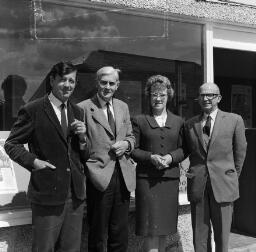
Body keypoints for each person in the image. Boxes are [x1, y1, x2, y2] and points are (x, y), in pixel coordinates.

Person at [4, 61, 89, 252]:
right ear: (52, 80)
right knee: (44, 248)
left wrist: (83, 138)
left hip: (74, 195)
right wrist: (35, 162)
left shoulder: (78, 111)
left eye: (72, 81)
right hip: (47, 193)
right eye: (63, 80)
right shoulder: (33, 110)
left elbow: (84, 154)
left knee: (71, 249)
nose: (68, 85)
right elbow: (11, 144)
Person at [78, 66, 136, 252]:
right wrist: (81, 140)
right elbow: (80, 147)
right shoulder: (83, 108)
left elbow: (132, 136)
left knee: (120, 231)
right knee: (98, 233)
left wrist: (127, 144)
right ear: (97, 83)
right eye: (104, 82)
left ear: (117, 85)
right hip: (99, 177)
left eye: (112, 83)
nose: (107, 87)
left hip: (123, 176)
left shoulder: (123, 106)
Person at [184, 82, 247, 252]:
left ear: (218, 98)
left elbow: (240, 153)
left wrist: (231, 175)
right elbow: (184, 151)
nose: (205, 98)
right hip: (198, 186)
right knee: (199, 236)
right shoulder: (190, 124)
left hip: (224, 186)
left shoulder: (234, 120)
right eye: (202, 95)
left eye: (210, 95)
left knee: (222, 237)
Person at [131, 75, 185, 252]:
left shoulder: (178, 122)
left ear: (168, 96)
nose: (158, 98)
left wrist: (170, 158)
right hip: (147, 182)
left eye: (162, 94)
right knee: (150, 230)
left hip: (169, 182)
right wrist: (150, 157)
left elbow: (184, 149)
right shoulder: (139, 120)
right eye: (154, 94)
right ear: (149, 96)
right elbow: (133, 150)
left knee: (164, 230)